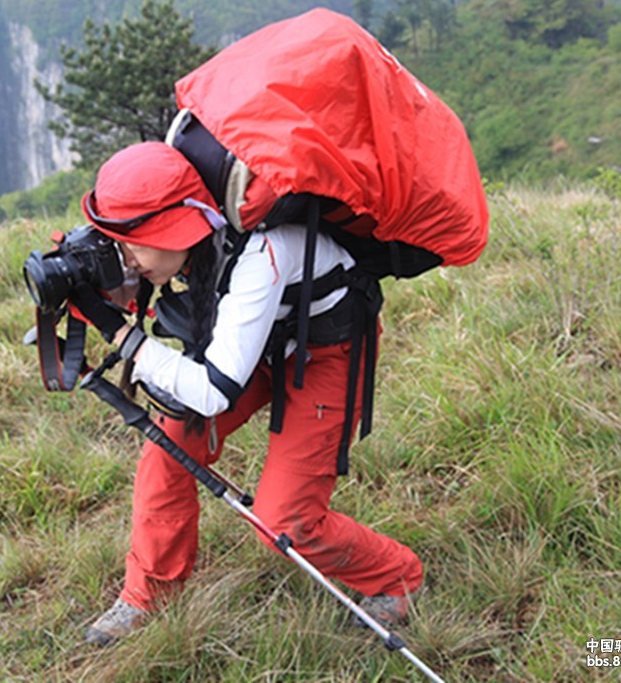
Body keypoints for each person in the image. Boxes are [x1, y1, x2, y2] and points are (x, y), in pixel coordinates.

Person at [72, 141, 424, 647]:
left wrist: (125, 337)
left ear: (176, 227)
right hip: (262, 340)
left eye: (132, 247)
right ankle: (148, 596)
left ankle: (397, 577)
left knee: (285, 522)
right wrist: (113, 286)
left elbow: (215, 390)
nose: (124, 260)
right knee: (167, 452)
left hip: (328, 351)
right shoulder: (203, 231)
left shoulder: (263, 252)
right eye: (117, 247)